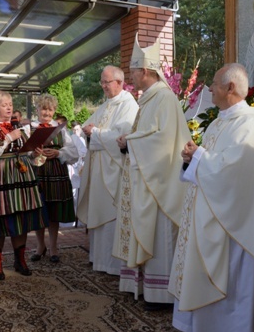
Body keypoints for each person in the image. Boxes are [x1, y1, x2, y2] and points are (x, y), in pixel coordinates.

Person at [168, 63, 254, 332]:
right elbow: (214, 163)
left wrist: (200, 156)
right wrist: (192, 158)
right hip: (211, 212)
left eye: (215, 84)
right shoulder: (219, 122)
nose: (210, 89)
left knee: (232, 283)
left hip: (233, 224)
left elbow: (235, 171)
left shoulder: (247, 123)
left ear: (230, 88)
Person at [113, 35, 191, 310]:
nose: (131, 76)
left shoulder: (165, 98)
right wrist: (129, 141)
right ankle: (147, 288)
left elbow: (164, 140)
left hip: (160, 182)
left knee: (159, 237)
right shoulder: (149, 99)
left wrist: (130, 142)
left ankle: (162, 295)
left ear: (144, 71)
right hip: (146, 178)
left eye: (133, 71)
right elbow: (146, 134)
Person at [0, 91, 48, 280]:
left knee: (21, 219)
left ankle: (20, 259)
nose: (9, 107)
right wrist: (9, 137)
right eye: (4, 105)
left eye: (10, 104)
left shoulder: (21, 127)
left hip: (22, 176)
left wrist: (34, 154)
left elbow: (28, 155)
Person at [77, 65, 138, 275]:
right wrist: (88, 133)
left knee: (112, 213)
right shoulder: (105, 105)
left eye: (107, 82)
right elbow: (90, 129)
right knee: (98, 211)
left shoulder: (129, 105)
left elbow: (123, 135)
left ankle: (113, 265)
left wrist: (95, 133)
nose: (103, 86)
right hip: (98, 168)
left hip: (114, 168)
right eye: (102, 82)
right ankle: (99, 259)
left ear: (120, 82)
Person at [28, 94, 79, 263]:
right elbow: (23, 152)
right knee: (39, 210)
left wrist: (58, 153)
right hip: (37, 172)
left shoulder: (61, 129)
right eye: (43, 108)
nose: (47, 112)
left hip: (57, 172)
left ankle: (54, 246)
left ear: (54, 110)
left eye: (50, 109)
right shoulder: (30, 128)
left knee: (54, 211)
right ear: (37, 109)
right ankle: (40, 245)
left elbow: (74, 153)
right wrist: (33, 153)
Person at [68, 120, 87, 225]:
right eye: (74, 130)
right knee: (72, 194)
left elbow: (84, 153)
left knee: (78, 193)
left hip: (78, 168)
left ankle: (78, 218)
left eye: (77, 129)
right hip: (72, 168)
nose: (75, 132)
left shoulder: (80, 140)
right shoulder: (71, 138)